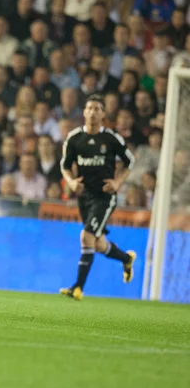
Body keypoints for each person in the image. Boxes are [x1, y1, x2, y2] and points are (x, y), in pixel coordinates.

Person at [59, 94, 137, 301]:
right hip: (84, 197)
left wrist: (118, 183)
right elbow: (65, 166)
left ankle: (77, 288)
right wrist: (71, 182)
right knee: (99, 243)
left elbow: (130, 161)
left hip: (105, 196)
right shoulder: (74, 138)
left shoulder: (111, 139)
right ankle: (126, 258)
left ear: (103, 114)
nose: (93, 112)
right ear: (84, 112)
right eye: (89, 108)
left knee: (86, 237)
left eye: (97, 109)